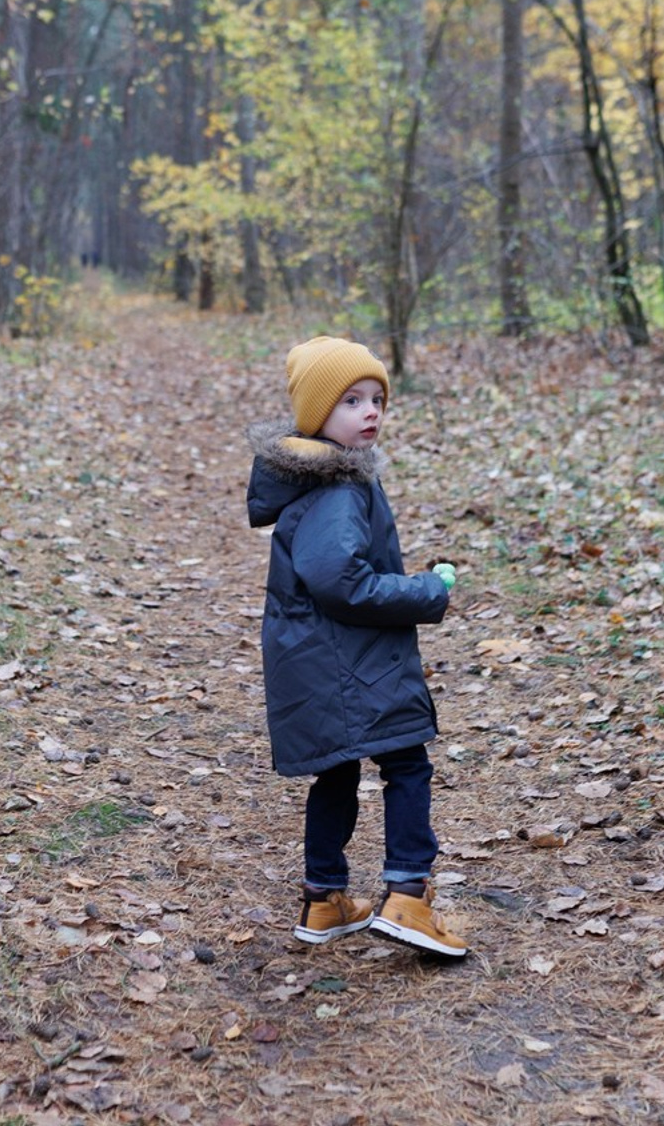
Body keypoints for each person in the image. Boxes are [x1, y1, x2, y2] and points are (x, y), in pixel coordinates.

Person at [245, 335, 468, 959]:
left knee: (339, 771)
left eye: (377, 399)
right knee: (406, 766)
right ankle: (407, 896)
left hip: (324, 662)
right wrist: (424, 591)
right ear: (319, 416)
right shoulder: (339, 489)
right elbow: (340, 582)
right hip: (355, 664)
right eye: (351, 401)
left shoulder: (319, 481)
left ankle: (326, 900)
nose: (369, 411)